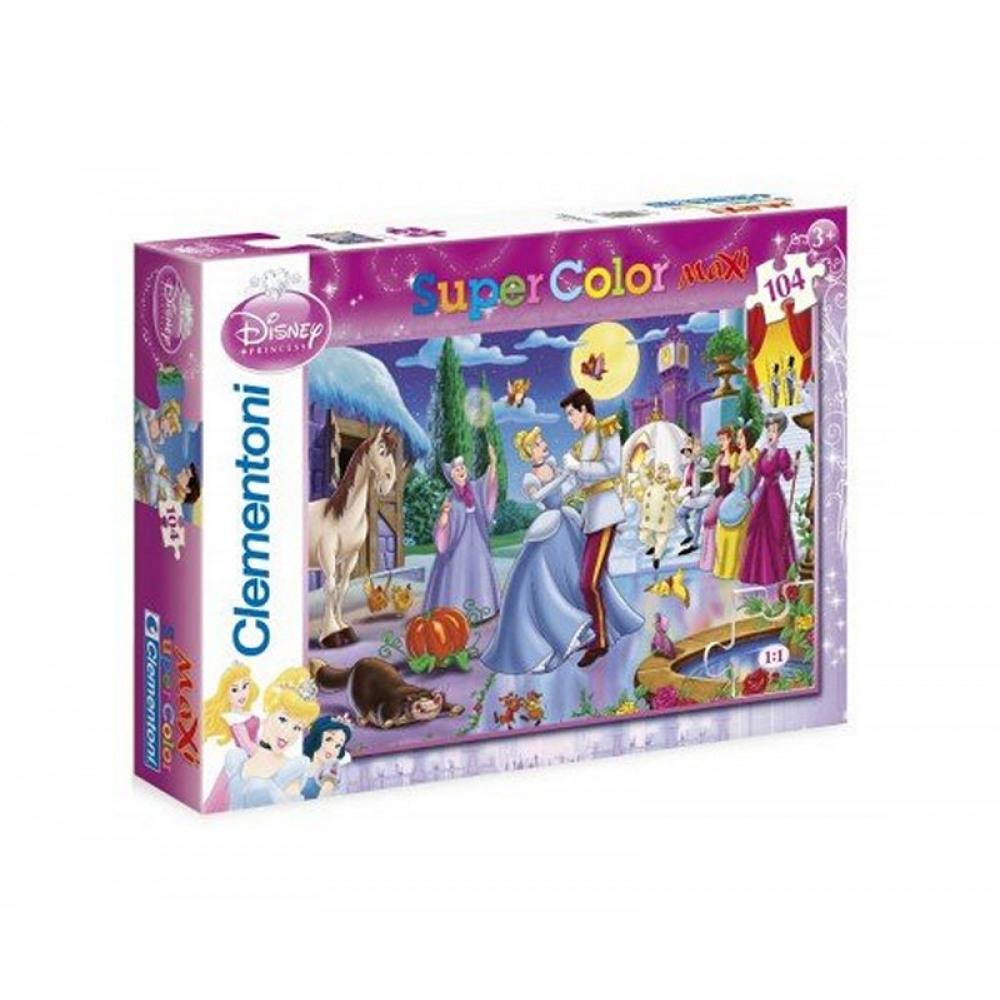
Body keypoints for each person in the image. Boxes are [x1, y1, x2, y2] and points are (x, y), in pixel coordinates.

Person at [481, 426, 642, 675]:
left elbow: (566, 491)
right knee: (545, 582)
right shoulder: (529, 478)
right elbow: (539, 496)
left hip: (566, 523)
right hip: (549, 526)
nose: (543, 445)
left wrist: (578, 475)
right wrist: (562, 476)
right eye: (537, 444)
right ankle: (558, 633)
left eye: (542, 441)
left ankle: (588, 629)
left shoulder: (553, 464)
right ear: (529, 453)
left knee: (576, 576)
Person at [560, 388, 636, 668]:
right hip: (591, 514)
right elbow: (579, 481)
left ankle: (600, 641)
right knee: (591, 580)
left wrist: (579, 466)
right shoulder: (583, 443)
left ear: (584, 409)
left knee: (588, 582)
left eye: (571, 414)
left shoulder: (607, 430)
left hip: (605, 512)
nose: (569, 420)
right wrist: (556, 492)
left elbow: (613, 468)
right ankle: (600, 634)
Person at [204, 667, 320, 811]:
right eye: (283, 719)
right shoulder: (236, 760)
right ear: (268, 713)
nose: (288, 733)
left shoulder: (293, 768)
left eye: (297, 728)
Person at [422, 448, 500, 620]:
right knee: (456, 575)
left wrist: (493, 463)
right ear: (452, 476)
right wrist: (444, 517)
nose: (461, 471)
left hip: (477, 540)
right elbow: (444, 528)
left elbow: (488, 485)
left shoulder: (475, 488)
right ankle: (455, 613)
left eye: (462, 467)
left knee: (478, 572)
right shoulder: (450, 498)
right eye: (456, 469)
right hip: (458, 546)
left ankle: (481, 609)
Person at [740, 412, 799, 585]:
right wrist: (748, 495)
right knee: (758, 530)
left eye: (773, 431)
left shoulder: (782, 454)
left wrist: (794, 468)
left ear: (779, 433)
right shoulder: (763, 454)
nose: (770, 434)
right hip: (763, 497)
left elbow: (787, 476)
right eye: (768, 430)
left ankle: (780, 571)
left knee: (778, 530)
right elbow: (757, 477)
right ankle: (760, 574)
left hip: (775, 497)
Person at [714, 423, 758, 579]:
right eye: (738, 437)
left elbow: (752, 482)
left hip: (746, 498)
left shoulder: (753, 455)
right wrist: (741, 467)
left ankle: (734, 570)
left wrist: (748, 465)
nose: (738, 440)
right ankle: (723, 568)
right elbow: (731, 479)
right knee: (722, 526)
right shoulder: (736, 457)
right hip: (736, 495)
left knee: (737, 533)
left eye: (741, 437)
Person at [698, 426, 736, 573]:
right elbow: (715, 481)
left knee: (709, 519)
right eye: (719, 440)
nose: (721, 443)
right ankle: (709, 560)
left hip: (729, 495)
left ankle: (712, 559)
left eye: (723, 439)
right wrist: (702, 491)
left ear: (730, 440)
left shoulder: (734, 457)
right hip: (720, 494)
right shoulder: (720, 458)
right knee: (708, 520)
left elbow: (734, 478)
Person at [202, 663, 260, 754]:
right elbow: (248, 747)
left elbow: (256, 739)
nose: (242, 694)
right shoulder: (233, 719)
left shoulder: (245, 714)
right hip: (246, 758)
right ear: (226, 694)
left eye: (244, 686)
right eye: (234, 690)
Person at [638, 459, 681, 570]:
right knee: (643, 537)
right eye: (659, 470)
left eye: (665, 471)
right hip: (649, 518)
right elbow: (642, 475)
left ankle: (657, 557)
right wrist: (644, 465)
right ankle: (652, 545)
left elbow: (675, 502)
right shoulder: (650, 484)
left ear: (668, 474)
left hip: (663, 519)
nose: (661, 473)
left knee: (662, 539)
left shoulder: (670, 488)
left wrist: (677, 497)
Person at [301, 716, 352, 800]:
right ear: (316, 738)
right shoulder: (300, 765)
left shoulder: (330, 773)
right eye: (328, 739)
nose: (332, 748)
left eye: (338, 745)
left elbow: (323, 799)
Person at [675, 434, 711, 556]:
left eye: (688, 450)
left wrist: (695, 454)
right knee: (680, 514)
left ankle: (695, 542)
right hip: (689, 497)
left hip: (699, 497)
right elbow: (685, 479)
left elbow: (705, 463)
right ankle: (689, 534)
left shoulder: (699, 462)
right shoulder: (687, 466)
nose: (686, 452)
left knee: (697, 520)